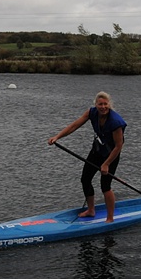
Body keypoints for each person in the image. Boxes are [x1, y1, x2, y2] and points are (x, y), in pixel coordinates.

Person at [48, 91, 126, 223]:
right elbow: (74, 125)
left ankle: (110, 218)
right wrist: (57, 137)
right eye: (100, 104)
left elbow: (118, 146)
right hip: (97, 151)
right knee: (85, 179)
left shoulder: (116, 122)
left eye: (105, 104)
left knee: (105, 186)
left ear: (109, 104)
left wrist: (106, 164)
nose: (103, 107)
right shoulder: (91, 112)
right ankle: (91, 210)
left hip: (111, 155)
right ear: (96, 104)